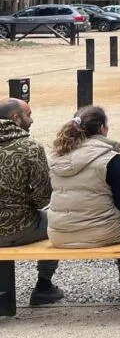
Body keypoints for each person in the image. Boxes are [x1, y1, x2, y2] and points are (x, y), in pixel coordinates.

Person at [47, 106, 120, 301]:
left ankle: (43, 282)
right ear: (102, 128)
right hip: (103, 231)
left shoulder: (55, 157)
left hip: (60, 233)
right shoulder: (111, 159)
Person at [0, 98, 63, 305]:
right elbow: (44, 197)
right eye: (29, 115)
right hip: (22, 227)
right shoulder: (29, 147)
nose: (32, 120)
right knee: (58, 222)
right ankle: (43, 286)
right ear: (16, 119)